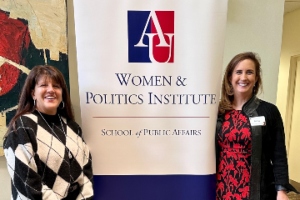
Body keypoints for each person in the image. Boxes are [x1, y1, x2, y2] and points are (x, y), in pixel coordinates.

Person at [215, 52, 298, 200]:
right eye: (238, 72)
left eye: (249, 72)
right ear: (230, 77)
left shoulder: (269, 111)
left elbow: (278, 154)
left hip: (256, 191)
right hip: (221, 188)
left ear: (256, 78)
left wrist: (281, 190)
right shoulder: (218, 111)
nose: (244, 77)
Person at [3, 65, 94, 199]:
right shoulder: (22, 127)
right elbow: (28, 184)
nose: (51, 90)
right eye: (44, 85)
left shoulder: (73, 127)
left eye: (56, 86)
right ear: (33, 93)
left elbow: (86, 174)